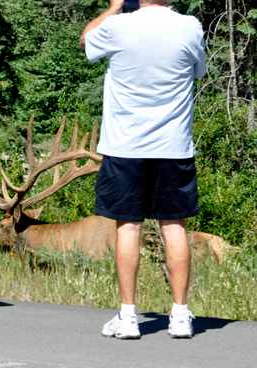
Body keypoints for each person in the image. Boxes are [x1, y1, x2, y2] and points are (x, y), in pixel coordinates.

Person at [80, 0, 206, 338]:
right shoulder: (190, 26)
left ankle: (128, 316)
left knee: (129, 228)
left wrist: (113, 7)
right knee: (174, 226)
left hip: (125, 146)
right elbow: (198, 71)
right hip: (173, 145)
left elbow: (85, 41)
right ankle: (179, 315)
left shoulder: (117, 26)